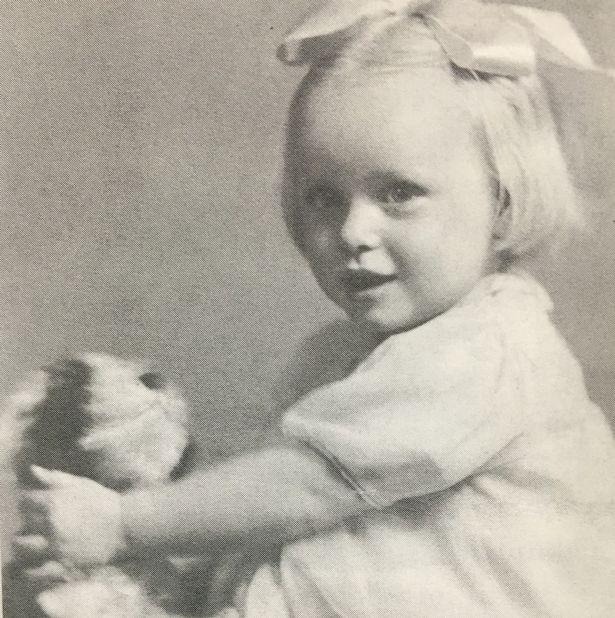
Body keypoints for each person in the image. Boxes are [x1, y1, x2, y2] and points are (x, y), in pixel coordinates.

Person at [15, 0, 615, 615]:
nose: (353, 229)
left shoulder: (486, 352)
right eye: (324, 198)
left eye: (397, 193)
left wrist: (125, 524)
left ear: (505, 202)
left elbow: (309, 485)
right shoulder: (353, 351)